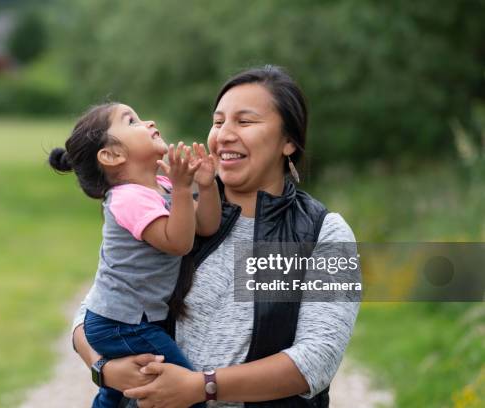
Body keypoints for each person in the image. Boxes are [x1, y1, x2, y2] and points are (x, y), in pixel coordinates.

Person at [72, 65, 361, 407]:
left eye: (245, 121)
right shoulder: (179, 214)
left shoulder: (322, 232)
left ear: (288, 141)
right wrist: (103, 369)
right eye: (219, 121)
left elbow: (316, 360)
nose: (224, 134)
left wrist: (202, 386)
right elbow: (94, 310)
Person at [49, 102, 220, 408]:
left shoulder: (163, 186)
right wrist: (183, 190)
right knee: (184, 389)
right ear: (112, 155)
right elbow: (178, 242)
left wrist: (205, 187)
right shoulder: (127, 198)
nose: (149, 121)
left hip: (130, 320)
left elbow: (205, 226)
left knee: (117, 393)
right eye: (132, 121)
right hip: (121, 323)